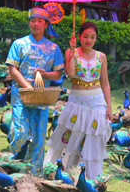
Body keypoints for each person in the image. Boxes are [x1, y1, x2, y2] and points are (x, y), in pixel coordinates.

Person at [45, 21, 111, 179]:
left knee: (93, 141)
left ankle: (91, 178)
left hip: (97, 103)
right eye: (86, 36)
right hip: (76, 102)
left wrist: (109, 107)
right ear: (79, 36)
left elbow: (105, 83)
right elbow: (70, 73)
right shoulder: (70, 52)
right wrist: (73, 51)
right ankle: (57, 173)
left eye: (93, 37)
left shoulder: (101, 56)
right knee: (67, 137)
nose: (89, 40)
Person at [6, 4, 65, 174]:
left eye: (39, 21)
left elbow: (58, 74)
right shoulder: (19, 44)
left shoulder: (54, 48)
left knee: (39, 136)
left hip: (41, 98)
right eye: (33, 20)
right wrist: (27, 86)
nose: (35, 24)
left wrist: (45, 73)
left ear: (46, 24)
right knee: (20, 132)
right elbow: (12, 70)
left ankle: (35, 173)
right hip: (20, 96)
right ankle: (14, 167)